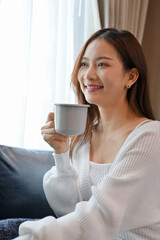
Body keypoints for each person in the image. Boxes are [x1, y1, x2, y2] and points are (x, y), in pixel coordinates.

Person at [14, 28, 160, 240]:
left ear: (131, 76)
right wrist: (62, 153)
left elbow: (98, 217)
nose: (88, 74)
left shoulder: (151, 136)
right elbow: (70, 213)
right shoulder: (83, 138)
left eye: (102, 64)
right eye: (84, 63)